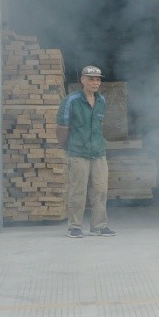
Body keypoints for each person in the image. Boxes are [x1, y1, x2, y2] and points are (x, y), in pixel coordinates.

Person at [56, 65, 115, 238]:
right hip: (78, 153)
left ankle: (99, 226)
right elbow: (62, 128)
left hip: (98, 153)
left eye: (97, 80)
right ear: (82, 80)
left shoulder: (101, 100)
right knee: (78, 191)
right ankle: (74, 227)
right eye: (91, 79)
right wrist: (69, 148)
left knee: (101, 190)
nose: (95, 83)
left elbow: (99, 126)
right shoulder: (71, 100)